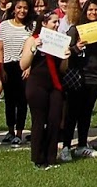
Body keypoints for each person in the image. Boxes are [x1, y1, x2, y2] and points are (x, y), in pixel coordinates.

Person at [20, 13, 67, 170]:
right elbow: (23, 64)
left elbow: (63, 69)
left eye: (58, 22)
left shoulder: (59, 41)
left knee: (54, 120)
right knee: (39, 121)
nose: (57, 24)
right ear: (45, 23)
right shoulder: (32, 39)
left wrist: (66, 57)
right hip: (37, 84)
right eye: (54, 22)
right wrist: (34, 48)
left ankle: (51, 157)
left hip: (55, 85)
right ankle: (38, 158)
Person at [67, 0, 97, 161]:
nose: (93, 13)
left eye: (96, 10)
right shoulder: (76, 29)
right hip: (77, 75)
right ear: (85, 11)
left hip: (95, 76)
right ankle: (66, 146)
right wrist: (76, 48)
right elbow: (66, 50)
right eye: (90, 10)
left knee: (86, 112)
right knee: (72, 112)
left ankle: (82, 145)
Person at [0, 0, 34, 146]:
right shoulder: (4, 25)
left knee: (22, 101)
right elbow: (0, 48)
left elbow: (34, 49)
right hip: (7, 66)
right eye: (19, 7)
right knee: (9, 101)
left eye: (25, 8)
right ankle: (10, 131)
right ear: (14, 9)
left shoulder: (32, 26)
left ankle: (19, 132)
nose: (22, 10)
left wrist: (29, 67)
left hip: (23, 66)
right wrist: (1, 69)